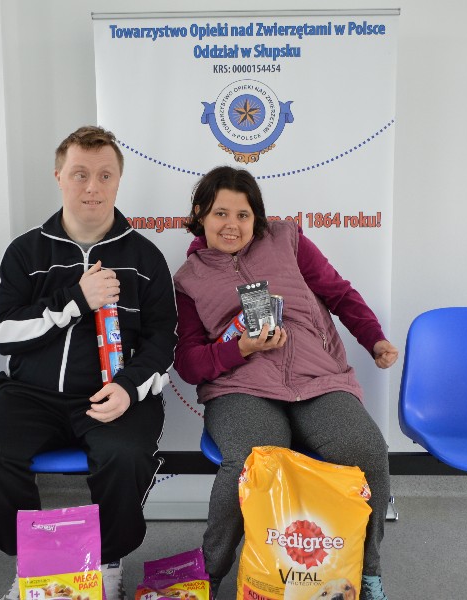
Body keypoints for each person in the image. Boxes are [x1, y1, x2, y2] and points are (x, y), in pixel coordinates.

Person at [0, 126, 178, 600]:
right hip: (30, 395)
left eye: (104, 175)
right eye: (80, 174)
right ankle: (38, 559)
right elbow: (1, 331)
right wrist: (75, 299)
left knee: (124, 456)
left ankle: (108, 561)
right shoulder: (25, 252)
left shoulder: (145, 257)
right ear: (59, 176)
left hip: (112, 395)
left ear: (118, 180)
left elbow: (164, 341)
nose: (92, 187)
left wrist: (130, 388)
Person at [173, 166, 399, 600]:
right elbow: (187, 363)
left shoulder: (287, 239)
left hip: (317, 379)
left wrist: (374, 338)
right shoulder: (189, 278)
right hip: (240, 388)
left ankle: (366, 573)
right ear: (200, 214)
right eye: (221, 213)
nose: (232, 225)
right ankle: (209, 573)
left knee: (367, 451)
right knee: (251, 461)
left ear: (256, 217)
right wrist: (239, 349)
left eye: (243, 215)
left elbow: (339, 293)